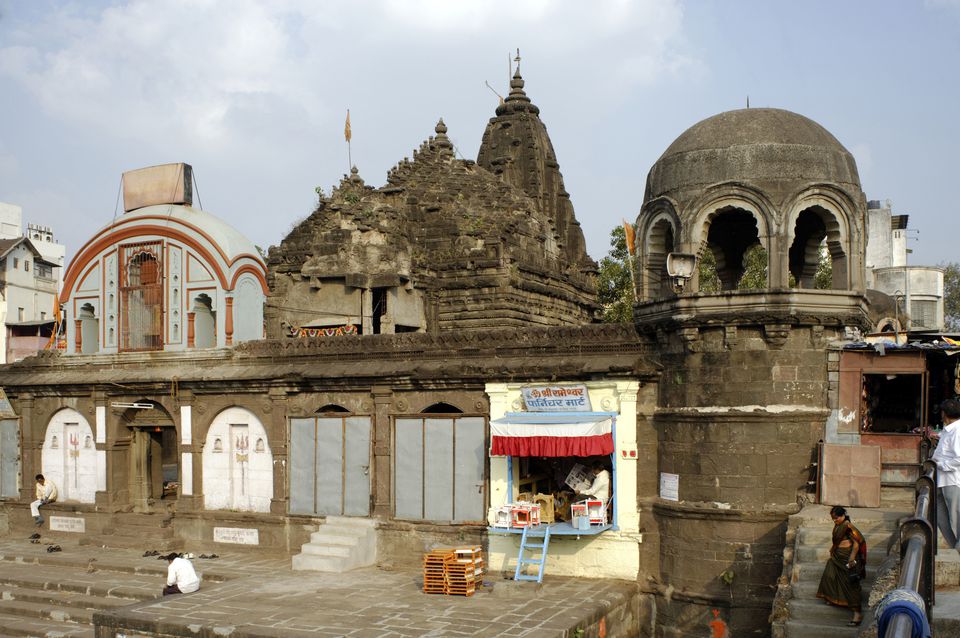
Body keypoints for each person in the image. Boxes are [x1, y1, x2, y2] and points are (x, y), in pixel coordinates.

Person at [816, 505, 866, 626]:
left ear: (843, 515)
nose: (834, 520)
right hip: (837, 557)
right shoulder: (838, 525)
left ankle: (857, 614)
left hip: (847, 558)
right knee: (829, 575)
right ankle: (834, 598)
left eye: (836, 518)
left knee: (850, 584)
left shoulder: (848, 527)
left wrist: (852, 558)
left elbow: (857, 544)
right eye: (833, 518)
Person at [932, 397, 960, 549]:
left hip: (952, 480)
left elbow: (959, 458)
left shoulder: (957, 431)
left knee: (955, 517)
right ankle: (955, 545)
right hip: (942, 480)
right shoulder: (948, 430)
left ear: (944, 414)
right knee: (941, 516)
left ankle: (958, 545)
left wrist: (941, 465)